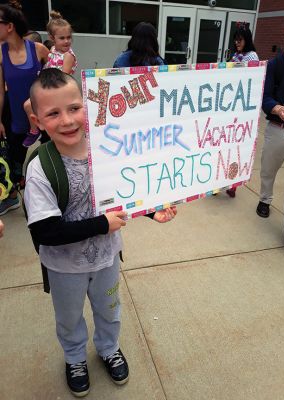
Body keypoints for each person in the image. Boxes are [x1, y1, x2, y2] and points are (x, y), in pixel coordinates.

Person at [24, 68, 177, 397]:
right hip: (64, 268)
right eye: (53, 113)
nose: (66, 120)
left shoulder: (107, 148)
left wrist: (152, 210)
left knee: (110, 310)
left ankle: (108, 348)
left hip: (107, 259)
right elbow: (45, 231)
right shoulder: (41, 169)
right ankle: (75, 357)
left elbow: (126, 188)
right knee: (69, 319)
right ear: (37, 121)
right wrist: (101, 224)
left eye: (74, 108)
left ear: (88, 107)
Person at [0, 0, 48, 216]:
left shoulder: (38, 49)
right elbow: (0, 91)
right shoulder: (0, 53)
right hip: (16, 118)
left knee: (51, 155)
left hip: (45, 116)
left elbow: (55, 78)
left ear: (9, 26)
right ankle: (13, 198)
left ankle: (52, 195)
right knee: (15, 160)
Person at [256, 7, 284, 242]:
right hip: (278, 127)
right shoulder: (275, 64)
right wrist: (277, 108)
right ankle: (265, 198)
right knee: (268, 169)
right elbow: (265, 97)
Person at [22, 10, 77, 148]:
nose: (67, 41)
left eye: (69, 37)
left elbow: (63, 78)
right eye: (62, 38)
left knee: (33, 107)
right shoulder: (52, 50)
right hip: (47, 86)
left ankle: (39, 133)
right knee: (27, 105)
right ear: (52, 38)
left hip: (57, 90)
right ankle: (35, 130)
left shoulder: (68, 56)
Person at [226, 24, 259, 198]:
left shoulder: (251, 56)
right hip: (229, 105)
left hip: (242, 107)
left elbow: (250, 81)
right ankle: (220, 181)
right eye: (235, 39)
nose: (237, 42)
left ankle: (232, 184)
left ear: (247, 39)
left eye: (240, 39)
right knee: (223, 145)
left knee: (236, 147)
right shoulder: (235, 55)